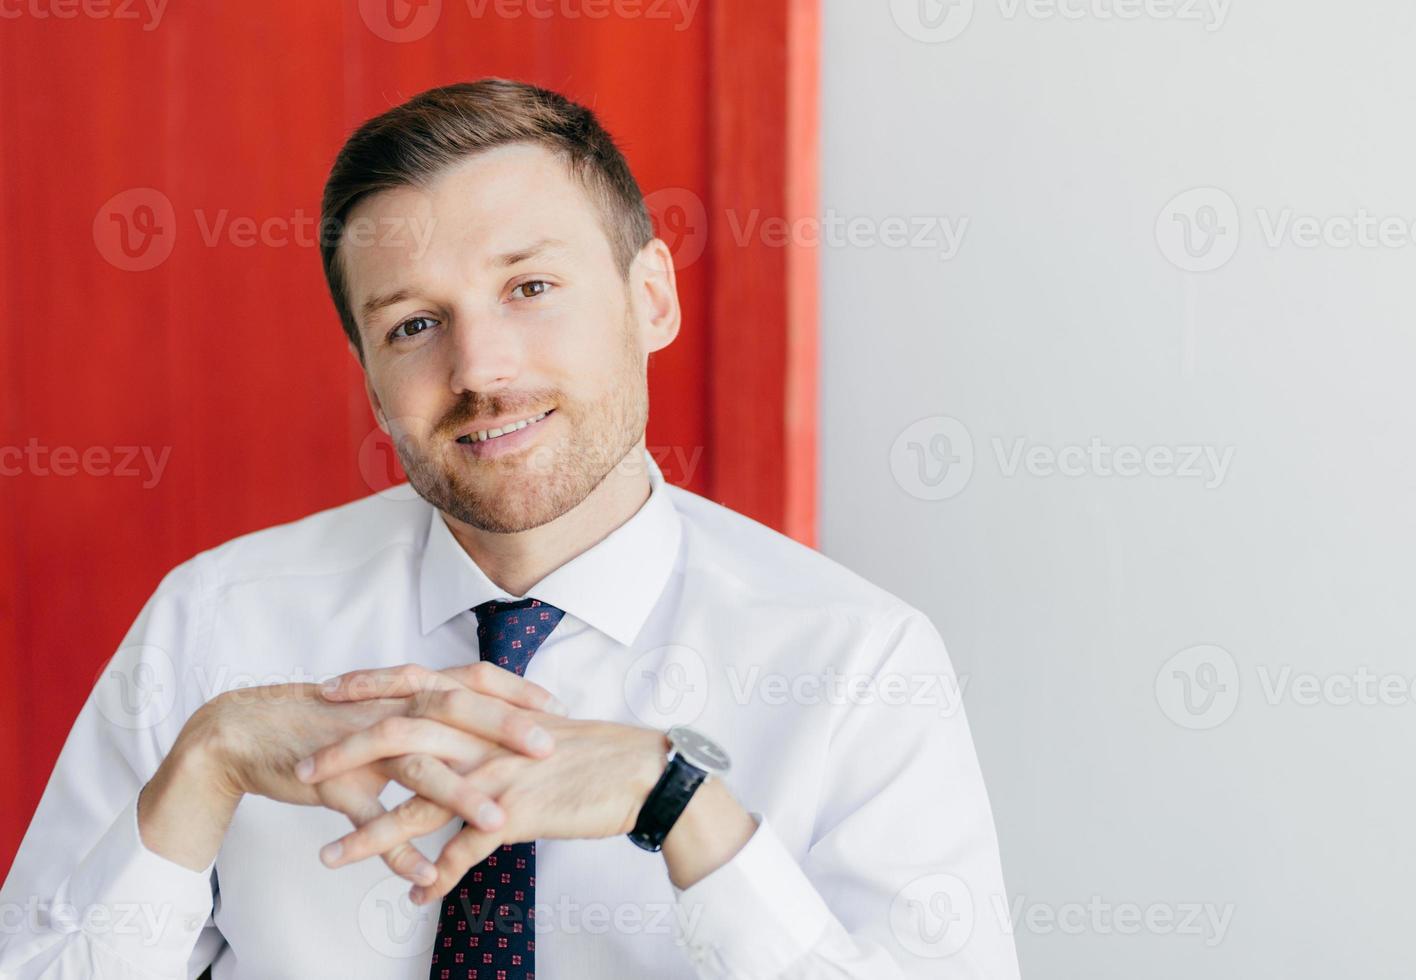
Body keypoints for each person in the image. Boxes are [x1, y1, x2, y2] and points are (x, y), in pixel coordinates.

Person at [0, 78, 1020, 979]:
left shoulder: (859, 660)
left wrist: (684, 807)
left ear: (651, 296)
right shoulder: (212, 624)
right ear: (368, 371)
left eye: (530, 288)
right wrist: (203, 768)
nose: (481, 368)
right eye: (412, 324)